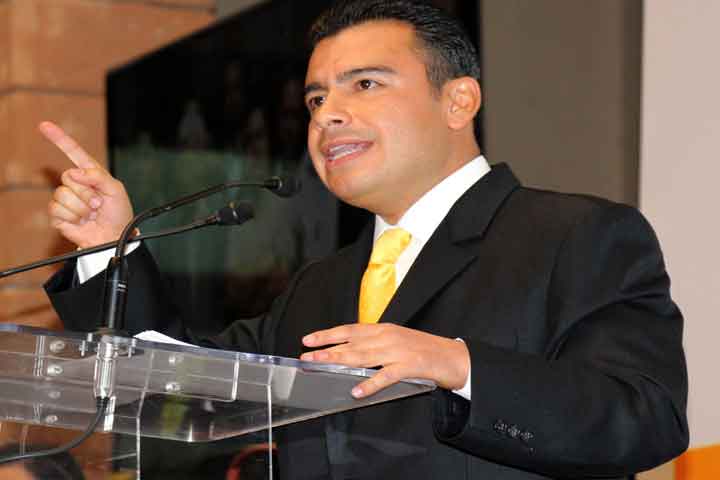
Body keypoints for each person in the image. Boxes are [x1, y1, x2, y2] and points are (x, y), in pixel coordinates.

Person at [42, 0, 688, 478]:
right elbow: (175, 385)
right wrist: (107, 248)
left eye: (365, 84)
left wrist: (459, 366)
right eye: (316, 99)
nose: (328, 115)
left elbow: (643, 419)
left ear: (459, 101)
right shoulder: (317, 287)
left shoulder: (575, 237)